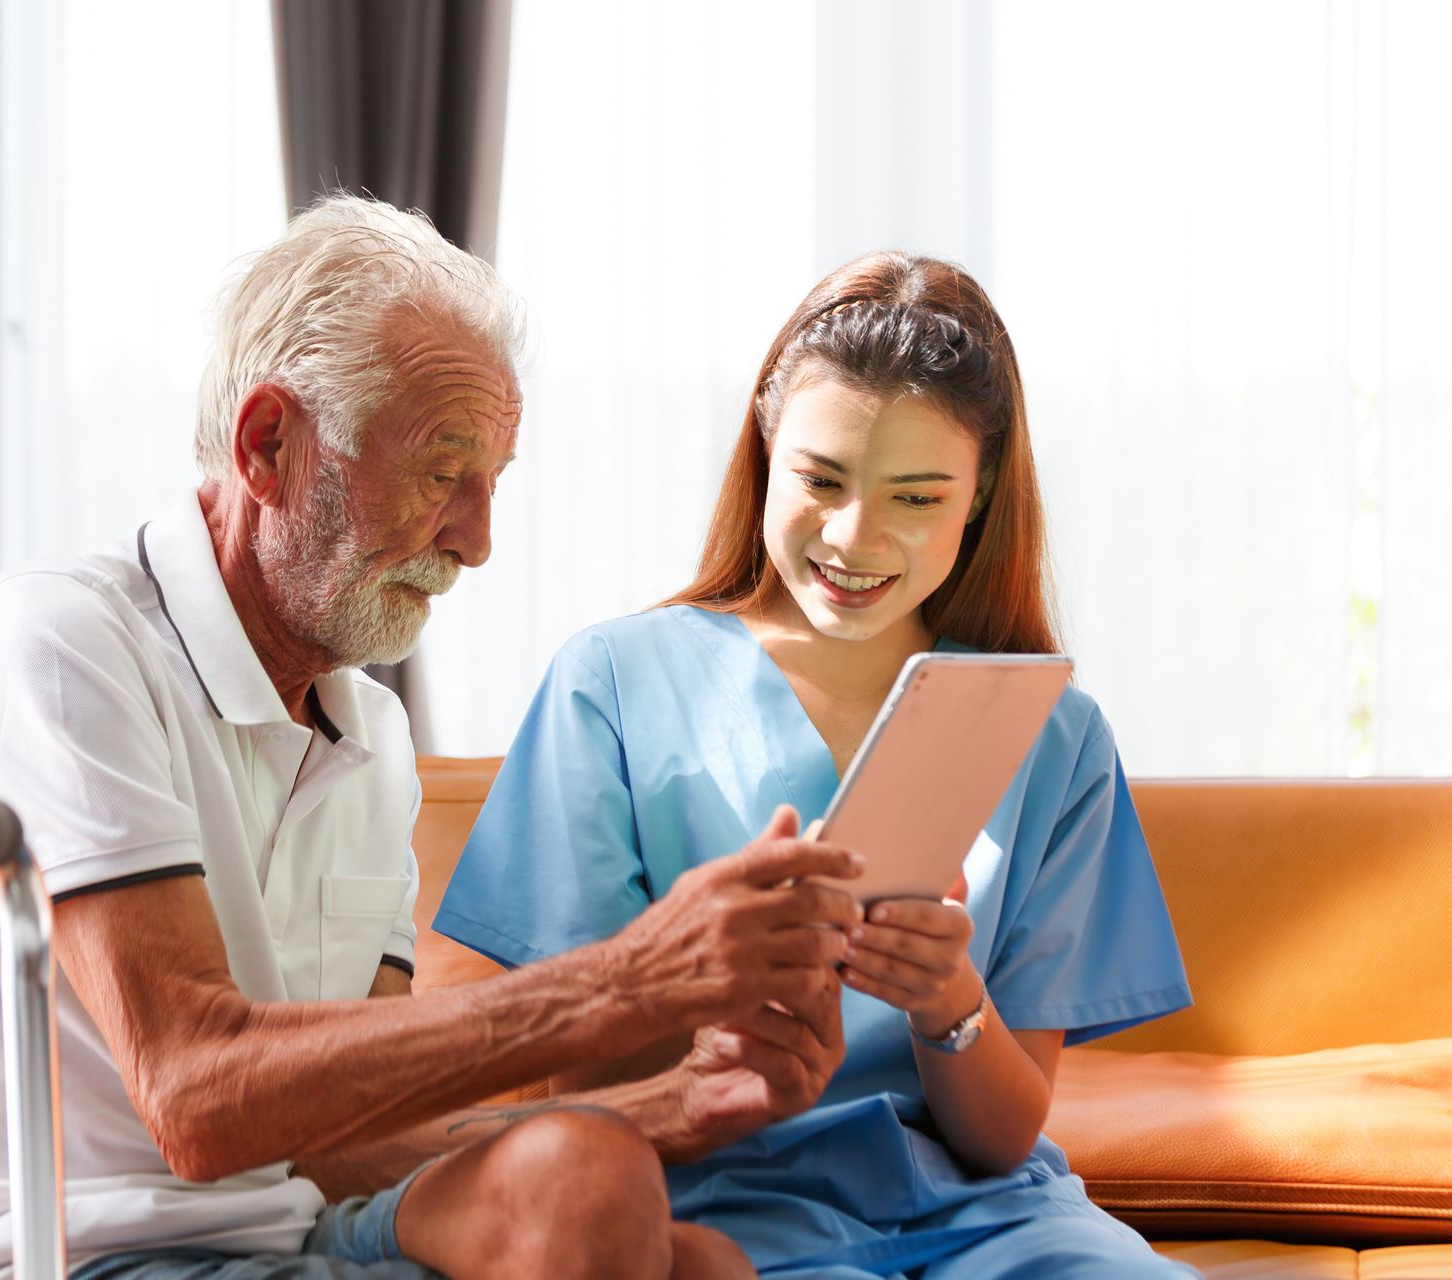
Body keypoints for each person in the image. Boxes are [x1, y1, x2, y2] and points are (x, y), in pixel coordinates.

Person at [0, 196, 872, 1280]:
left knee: (682, 1242)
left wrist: (674, 1104)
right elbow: (195, 1092)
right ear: (269, 444)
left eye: (491, 485)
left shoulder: (366, 727)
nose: (476, 541)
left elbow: (344, 1135)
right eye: (440, 471)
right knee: (590, 1185)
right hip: (48, 1255)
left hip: (273, 1234)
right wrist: (632, 979)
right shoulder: (58, 645)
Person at [434, 252, 1197, 1278]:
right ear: (765, 446)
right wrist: (705, 979)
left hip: (995, 1220)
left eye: (917, 498)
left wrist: (949, 1000)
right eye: (820, 479)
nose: (854, 536)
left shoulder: (1051, 731)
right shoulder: (614, 683)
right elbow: (568, 1082)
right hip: (728, 1205)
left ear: (976, 501)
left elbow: (1005, 1135)